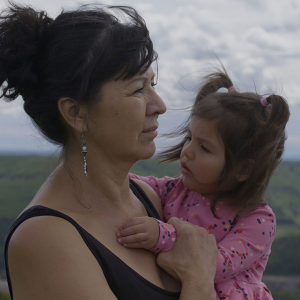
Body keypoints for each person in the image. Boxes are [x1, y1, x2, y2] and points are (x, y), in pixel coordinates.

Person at [0, 3, 218, 300]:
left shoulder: (150, 197)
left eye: (152, 84)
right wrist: (199, 280)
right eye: (138, 89)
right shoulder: (44, 240)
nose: (159, 105)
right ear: (77, 113)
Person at [117, 69, 290, 299]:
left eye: (204, 147)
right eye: (189, 138)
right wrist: (108, 171)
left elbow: (216, 263)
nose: (187, 151)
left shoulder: (257, 219)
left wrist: (162, 235)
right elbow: (137, 182)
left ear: (243, 169)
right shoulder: (179, 189)